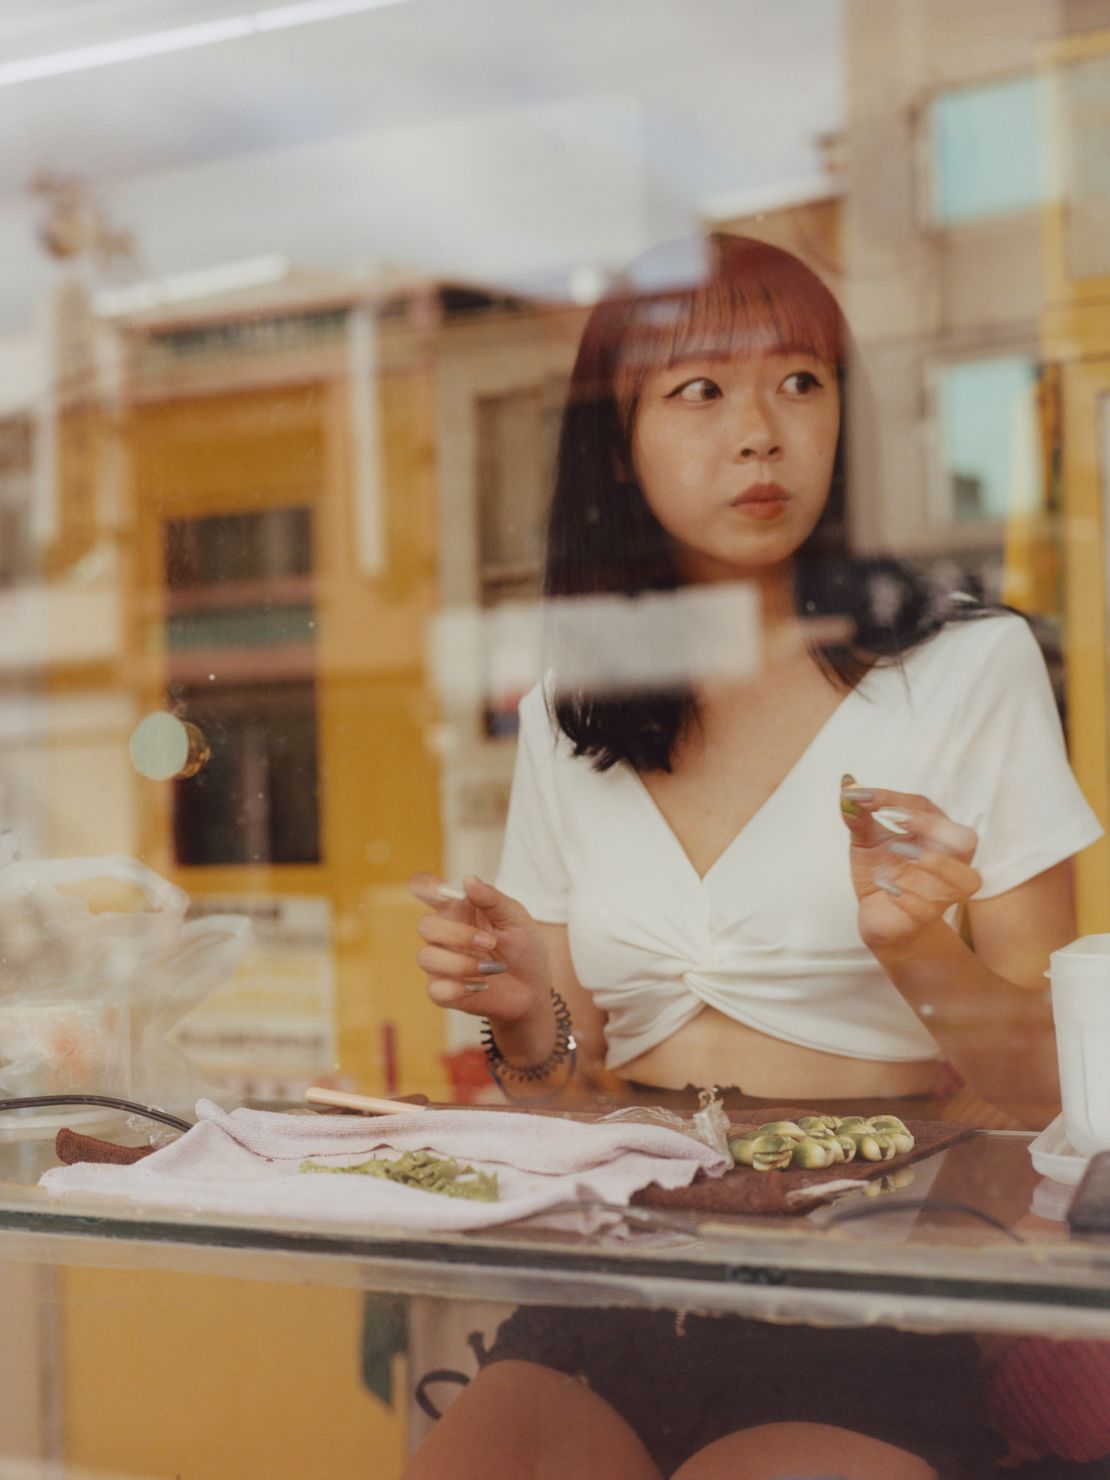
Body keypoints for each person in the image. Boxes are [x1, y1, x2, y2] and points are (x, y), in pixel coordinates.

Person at [404, 236, 1103, 1480]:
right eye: (699, 393)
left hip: (869, 1284)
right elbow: (572, 1085)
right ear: (612, 445)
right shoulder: (577, 698)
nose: (761, 434)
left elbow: (1064, 1101)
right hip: (618, 1272)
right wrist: (521, 1015)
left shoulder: (967, 667)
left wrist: (918, 960)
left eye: (800, 382)